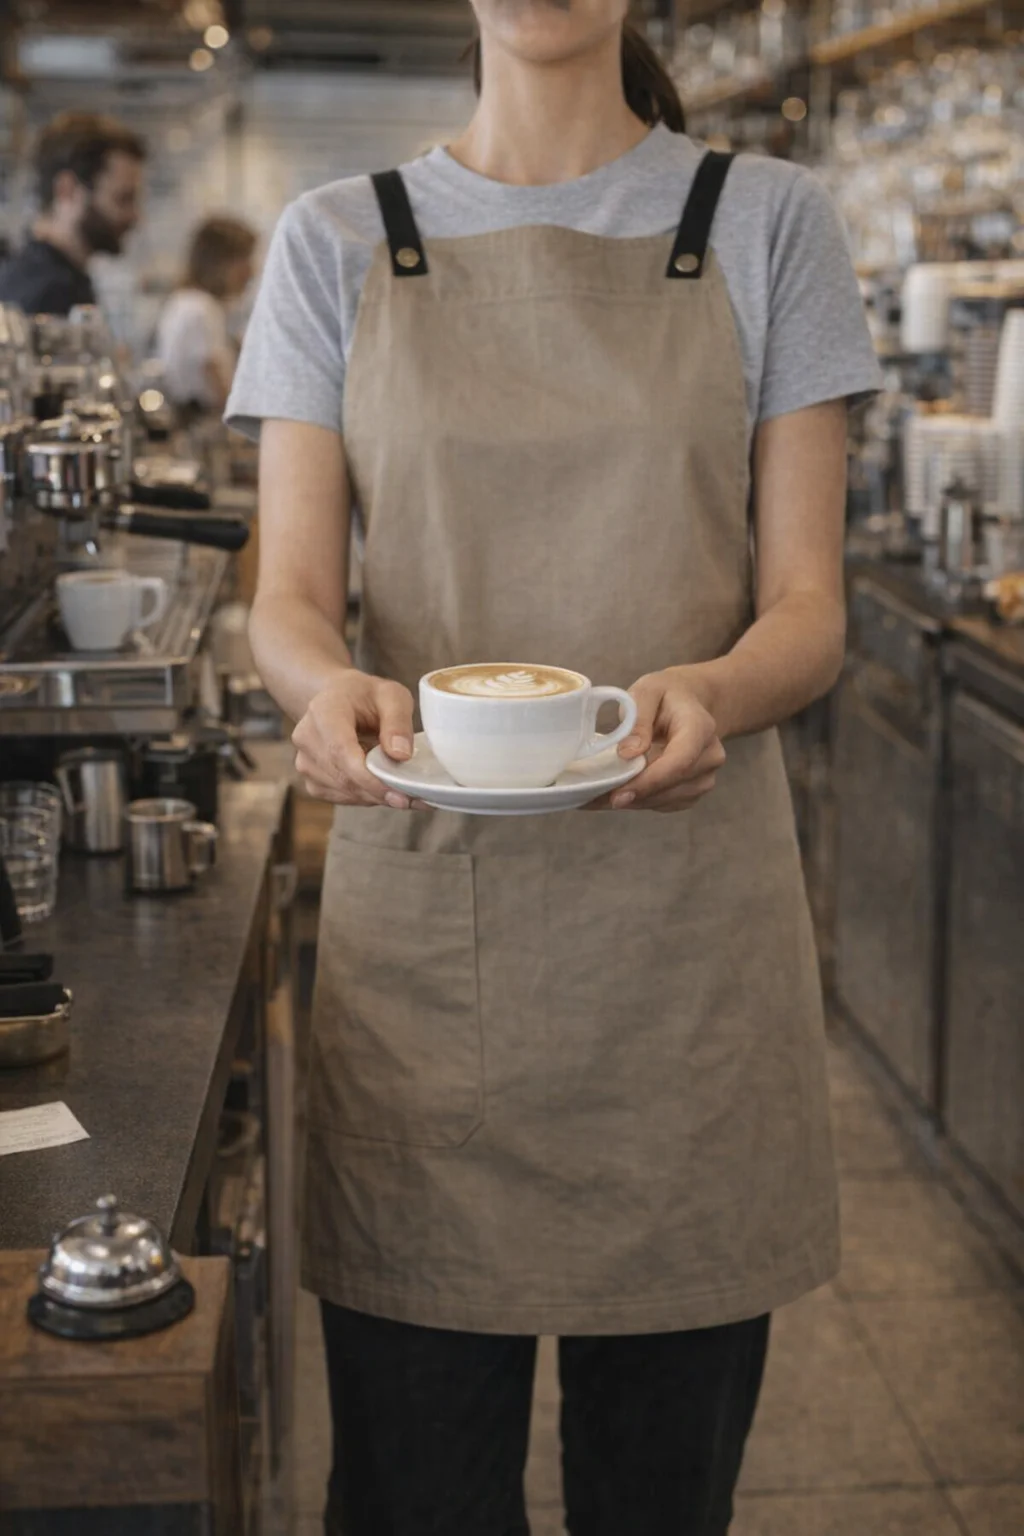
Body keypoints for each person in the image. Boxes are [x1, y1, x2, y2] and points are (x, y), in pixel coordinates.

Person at [226, 2, 881, 1531]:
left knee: (664, 1499)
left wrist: (714, 689)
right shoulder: (336, 238)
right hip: (425, 977)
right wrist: (324, 696)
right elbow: (292, 602)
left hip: (687, 970)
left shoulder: (772, 223)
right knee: (416, 1495)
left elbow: (809, 609)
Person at [0, 112, 146, 317]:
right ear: (66, 190)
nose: (136, 216)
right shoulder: (48, 295)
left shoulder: (56, 280)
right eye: (122, 199)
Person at [156, 216, 257, 416]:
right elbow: (217, 382)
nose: (251, 272)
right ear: (219, 261)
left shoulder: (184, 300)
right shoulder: (201, 308)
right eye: (244, 259)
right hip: (197, 420)